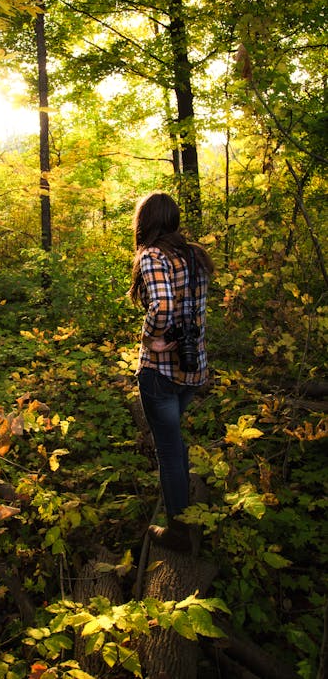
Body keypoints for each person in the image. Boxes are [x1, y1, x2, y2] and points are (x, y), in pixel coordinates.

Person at [129, 192, 214, 552]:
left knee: (168, 448)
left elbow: (162, 306)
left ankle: (179, 531)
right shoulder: (195, 255)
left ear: (145, 222)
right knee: (173, 440)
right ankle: (187, 509)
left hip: (161, 373)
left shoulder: (152, 256)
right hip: (193, 369)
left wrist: (151, 339)